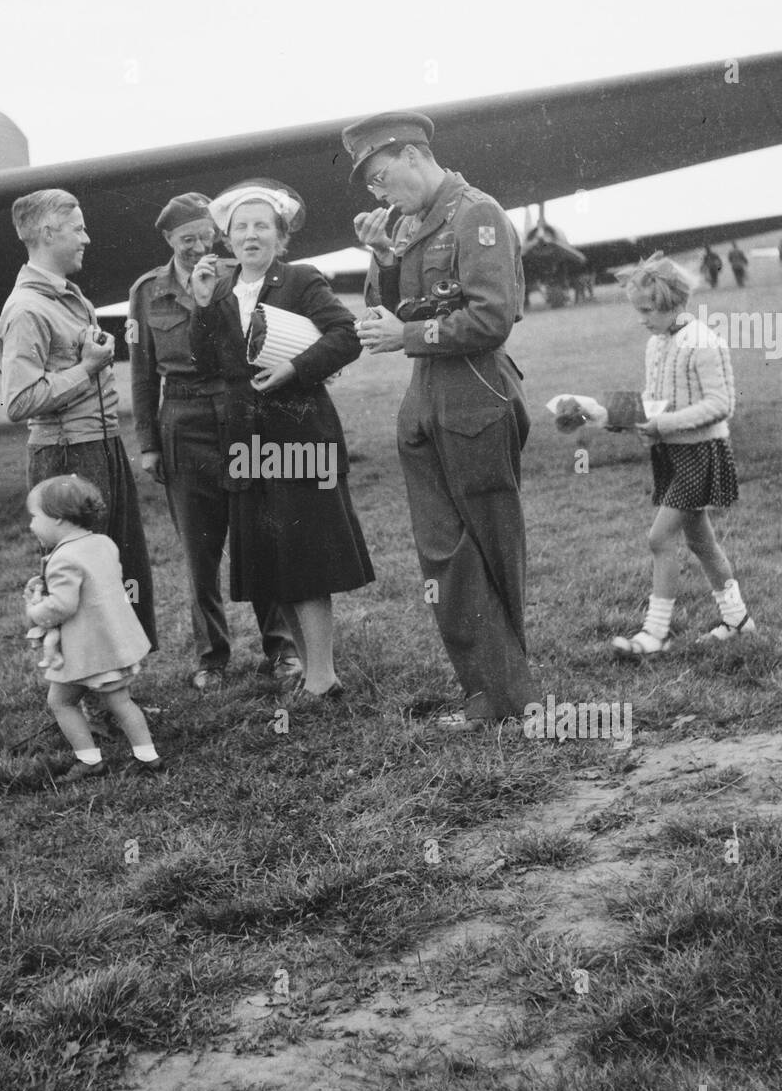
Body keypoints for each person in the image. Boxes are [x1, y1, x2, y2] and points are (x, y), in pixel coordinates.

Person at [345, 111, 536, 731]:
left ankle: (505, 694)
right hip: (426, 398)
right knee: (442, 553)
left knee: (489, 543)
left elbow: (491, 319)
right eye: (372, 187)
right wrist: (381, 256)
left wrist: (409, 334)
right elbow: (385, 311)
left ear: (411, 155)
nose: (380, 194)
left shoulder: (478, 213)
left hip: (475, 391)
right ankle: (487, 690)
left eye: (381, 178)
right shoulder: (406, 224)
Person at [187, 179, 373, 702]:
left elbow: (346, 335)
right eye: (240, 227)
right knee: (273, 558)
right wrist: (202, 307)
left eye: (261, 226)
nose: (251, 235)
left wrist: (295, 368)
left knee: (304, 554)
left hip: (298, 433)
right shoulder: (219, 292)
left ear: (280, 236)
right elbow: (205, 365)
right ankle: (317, 672)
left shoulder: (300, 279)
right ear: (227, 238)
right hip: (246, 439)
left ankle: (322, 674)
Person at [129, 192, 299, 691]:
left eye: (207, 235)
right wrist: (148, 444)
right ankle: (212, 658)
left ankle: (282, 648)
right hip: (181, 421)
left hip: (239, 412)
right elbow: (141, 375)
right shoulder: (146, 292)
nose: (199, 246)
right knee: (199, 553)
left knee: (259, 534)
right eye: (187, 240)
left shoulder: (234, 275)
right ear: (168, 240)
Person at [0, 188, 157, 650]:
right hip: (67, 454)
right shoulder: (27, 309)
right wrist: (86, 368)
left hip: (100, 445)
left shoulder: (71, 297)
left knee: (117, 568)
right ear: (47, 232)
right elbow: (18, 402)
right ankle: (81, 700)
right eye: (78, 228)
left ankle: (114, 685)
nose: (86, 238)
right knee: (79, 578)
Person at [610, 254, 755, 657]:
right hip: (672, 455)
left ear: (670, 301)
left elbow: (721, 404)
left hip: (702, 453)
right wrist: (619, 416)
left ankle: (655, 633)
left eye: (646, 310)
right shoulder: (656, 344)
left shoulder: (704, 342)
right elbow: (654, 400)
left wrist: (665, 424)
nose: (641, 319)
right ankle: (738, 621)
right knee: (702, 544)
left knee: (659, 538)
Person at [24, 475, 161, 779]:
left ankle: (90, 761)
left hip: (86, 653)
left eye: (35, 517)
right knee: (122, 702)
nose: (31, 525)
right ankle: (148, 756)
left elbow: (62, 606)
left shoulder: (63, 559)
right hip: (113, 645)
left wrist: (35, 608)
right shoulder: (103, 544)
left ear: (58, 519)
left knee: (60, 702)